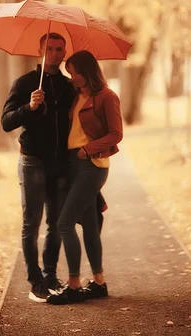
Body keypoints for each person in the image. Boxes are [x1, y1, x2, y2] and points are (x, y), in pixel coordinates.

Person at [1, 32, 76, 303]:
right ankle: (35, 281)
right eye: (51, 49)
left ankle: (51, 275)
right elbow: (6, 121)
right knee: (31, 224)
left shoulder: (69, 88)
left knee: (56, 224)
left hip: (60, 165)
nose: (56, 53)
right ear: (41, 51)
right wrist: (29, 107)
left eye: (60, 49)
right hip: (32, 163)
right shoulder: (25, 83)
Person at [47, 50, 123, 305]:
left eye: (74, 72)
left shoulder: (107, 97)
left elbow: (115, 134)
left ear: (87, 72)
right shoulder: (76, 96)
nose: (71, 77)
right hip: (72, 164)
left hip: (91, 165)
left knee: (64, 223)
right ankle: (99, 283)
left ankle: (74, 285)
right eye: (69, 72)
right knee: (89, 224)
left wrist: (86, 150)